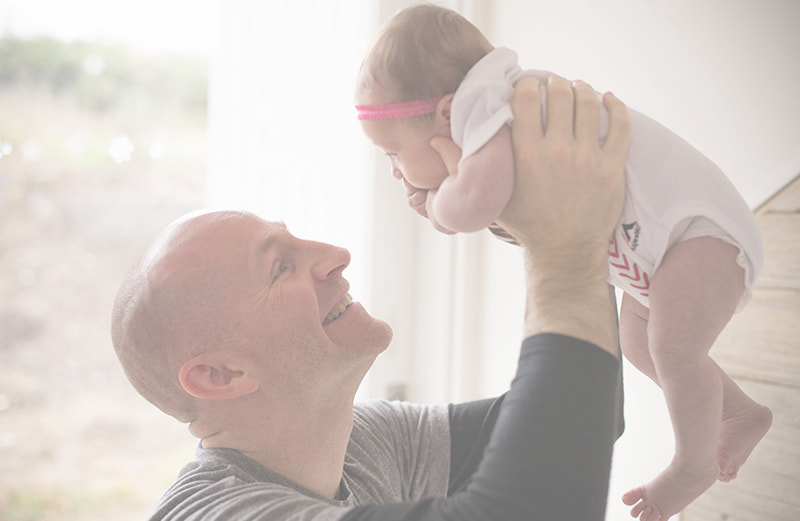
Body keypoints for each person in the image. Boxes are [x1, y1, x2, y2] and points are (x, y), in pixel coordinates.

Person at [111, 75, 629, 521]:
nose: (336, 255)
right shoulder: (218, 514)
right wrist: (564, 248)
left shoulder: (366, 441)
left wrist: (534, 216)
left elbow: (583, 421)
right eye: (280, 267)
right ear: (220, 375)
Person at [354, 5, 772, 520]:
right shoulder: (496, 111)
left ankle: (692, 464)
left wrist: (437, 205)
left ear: (444, 114)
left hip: (700, 234)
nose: (396, 172)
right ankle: (738, 412)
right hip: (665, 251)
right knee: (640, 341)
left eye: (393, 154)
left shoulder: (490, 109)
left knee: (670, 346)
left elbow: (476, 204)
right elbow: (519, 215)